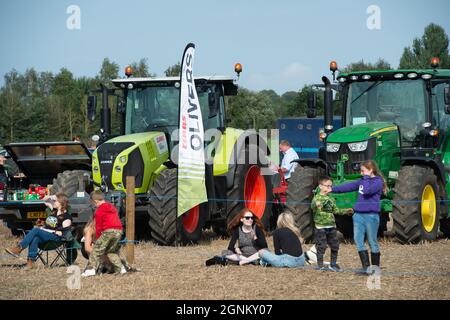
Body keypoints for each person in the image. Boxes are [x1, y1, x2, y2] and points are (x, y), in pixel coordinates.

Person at [331, 160, 386, 273]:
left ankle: (375, 269)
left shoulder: (377, 182)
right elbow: (348, 187)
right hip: (358, 215)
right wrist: (332, 189)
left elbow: (366, 191)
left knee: (372, 241)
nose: (361, 173)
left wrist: (366, 178)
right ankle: (366, 268)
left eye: (363, 171)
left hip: (371, 216)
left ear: (371, 170)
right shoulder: (362, 180)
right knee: (358, 240)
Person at [5, 193, 72, 269]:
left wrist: (46, 230)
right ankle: (30, 262)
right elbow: (45, 200)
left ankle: (19, 248)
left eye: (55, 201)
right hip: (46, 235)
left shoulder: (67, 217)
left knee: (36, 230)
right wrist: (52, 197)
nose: (53, 202)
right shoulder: (54, 212)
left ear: (61, 202)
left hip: (56, 238)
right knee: (35, 237)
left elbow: (64, 233)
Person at [311, 176, 353, 271]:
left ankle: (333, 264)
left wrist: (346, 211)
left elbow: (336, 210)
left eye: (331, 186)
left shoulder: (330, 199)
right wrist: (316, 205)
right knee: (321, 246)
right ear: (321, 186)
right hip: (320, 227)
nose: (330, 188)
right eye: (327, 186)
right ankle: (320, 265)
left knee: (335, 246)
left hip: (331, 226)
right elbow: (313, 207)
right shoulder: (317, 198)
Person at [81, 190, 126, 277]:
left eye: (93, 204)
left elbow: (99, 226)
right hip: (119, 231)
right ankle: (121, 268)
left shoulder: (99, 211)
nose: (94, 206)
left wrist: (98, 238)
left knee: (96, 250)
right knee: (111, 251)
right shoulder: (112, 207)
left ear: (95, 201)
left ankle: (91, 270)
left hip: (108, 231)